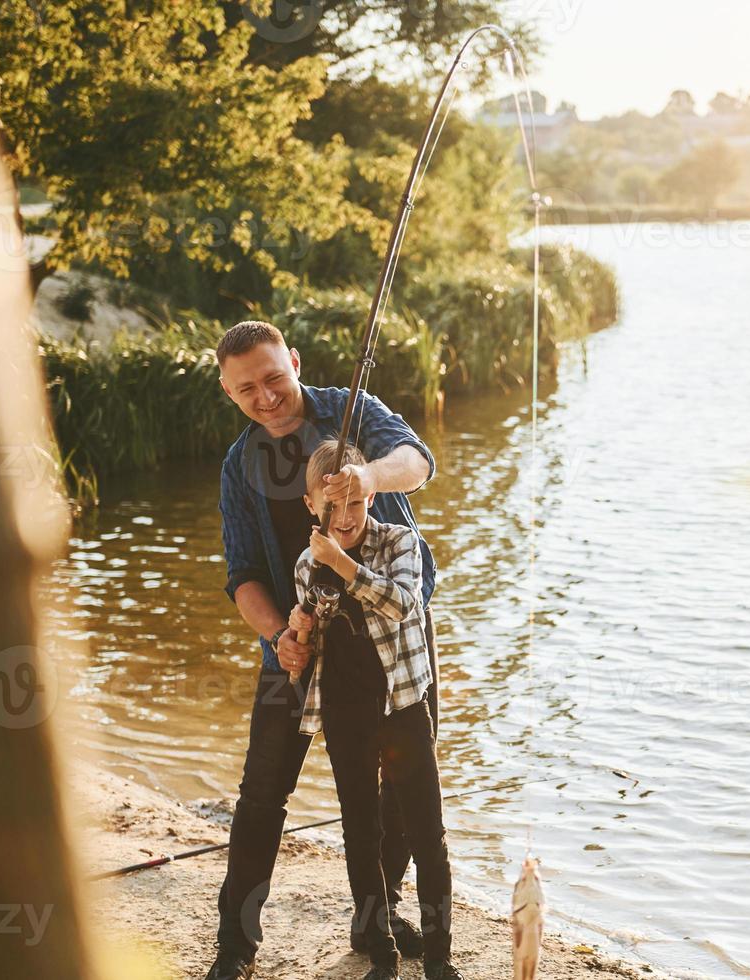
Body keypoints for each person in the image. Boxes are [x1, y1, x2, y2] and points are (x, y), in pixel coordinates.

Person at [206, 321, 439, 980]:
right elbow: (242, 574)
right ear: (229, 392)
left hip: (393, 640)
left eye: (274, 377)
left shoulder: (352, 409)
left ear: (296, 362)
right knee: (260, 797)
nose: (267, 396)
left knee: (401, 781)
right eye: (246, 388)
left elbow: (418, 460)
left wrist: (366, 474)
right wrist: (279, 635)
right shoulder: (237, 466)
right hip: (299, 648)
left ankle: (380, 914)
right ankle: (235, 946)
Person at [289, 440, 459, 980]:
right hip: (346, 714)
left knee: (426, 834)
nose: (346, 517)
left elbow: (404, 604)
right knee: (361, 834)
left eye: (356, 502)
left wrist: (341, 565)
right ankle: (381, 957)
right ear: (311, 506)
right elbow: (306, 658)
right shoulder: (306, 566)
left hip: (404, 708)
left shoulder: (401, 542)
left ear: (368, 495)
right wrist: (297, 634)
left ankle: (438, 959)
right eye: (331, 506)